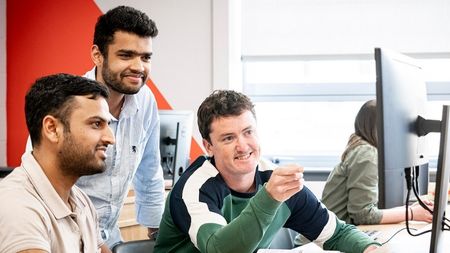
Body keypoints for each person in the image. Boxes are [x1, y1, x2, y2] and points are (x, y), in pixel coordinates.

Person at [154, 90, 380, 253]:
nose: (243, 146)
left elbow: (336, 233)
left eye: (248, 132)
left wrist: (370, 248)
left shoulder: (273, 178)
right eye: (229, 138)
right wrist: (269, 199)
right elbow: (219, 250)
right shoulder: (195, 188)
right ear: (209, 146)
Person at [75, 5, 165, 248]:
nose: (138, 67)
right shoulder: (67, 102)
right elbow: (45, 189)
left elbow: (149, 170)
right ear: (98, 55)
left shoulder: (145, 100)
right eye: (126, 55)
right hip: (68, 236)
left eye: (145, 57)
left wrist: (159, 234)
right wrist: (92, 242)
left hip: (110, 235)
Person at [0, 74, 114, 253]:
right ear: (52, 129)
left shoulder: (80, 200)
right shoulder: (16, 205)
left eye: (108, 124)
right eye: (96, 124)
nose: (110, 138)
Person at [321, 100, 433, 225]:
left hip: (336, 236)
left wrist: (411, 209)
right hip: (321, 243)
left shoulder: (363, 149)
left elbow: (370, 209)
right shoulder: (367, 155)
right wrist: (411, 214)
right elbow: (363, 215)